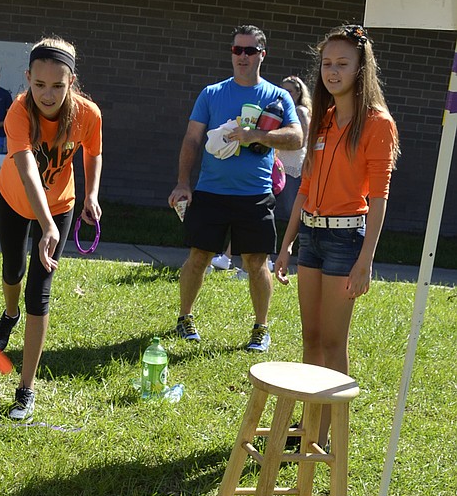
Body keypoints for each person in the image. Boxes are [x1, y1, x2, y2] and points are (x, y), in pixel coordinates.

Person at [274, 24, 399, 396]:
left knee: (332, 343)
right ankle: (309, 423)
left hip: (346, 241)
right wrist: (286, 244)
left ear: (362, 69)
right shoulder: (323, 120)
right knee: (310, 339)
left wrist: (365, 260)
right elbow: (305, 188)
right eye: (327, 63)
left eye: (343, 63)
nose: (332, 71)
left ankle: (325, 435)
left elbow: (379, 197)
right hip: (310, 236)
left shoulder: (378, 124)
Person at [0, 36, 102, 421]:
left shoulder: (88, 114)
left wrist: (90, 195)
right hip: (15, 199)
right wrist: (45, 224)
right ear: (27, 79)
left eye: (57, 85)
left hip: (61, 205)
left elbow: (93, 151)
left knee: (40, 290)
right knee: (12, 271)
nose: (47, 94)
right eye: (39, 85)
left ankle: (25, 389)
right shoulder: (18, 113)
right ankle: (8, 315)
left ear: (71, 81)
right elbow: (27, 170)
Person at [167, 24, 303, 351]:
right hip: (211, 192)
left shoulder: (277, 96)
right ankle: (184, 318)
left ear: (262, 55)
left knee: (256, 263)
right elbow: (192, 139)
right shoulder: (212, 94)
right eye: (237, 50)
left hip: (255, 195)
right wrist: (184, 182)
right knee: (198, 257)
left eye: (249, 51)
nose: (242, 56)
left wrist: (258, 136)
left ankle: (261, 328)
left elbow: (297, 138)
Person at [274, 73, 312, 223]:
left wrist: (275, 141)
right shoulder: (282, 111)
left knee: (293, 208)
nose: (285, 94)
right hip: (279, 163)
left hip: (293, 165)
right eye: (282, 90)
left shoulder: (300, 111)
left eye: (289, 91)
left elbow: (302, 141)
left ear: (298, 93)